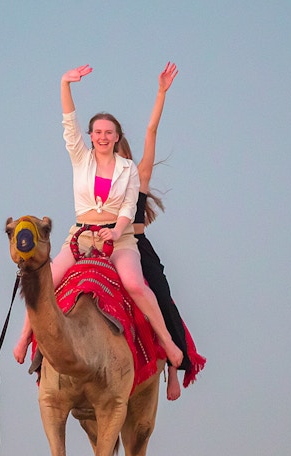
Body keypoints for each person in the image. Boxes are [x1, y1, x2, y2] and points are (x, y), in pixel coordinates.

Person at [14, 64, 183, 370]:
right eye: (98, 132)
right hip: (81, 235)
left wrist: (117, 232)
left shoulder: (129, 169)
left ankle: (169, 343)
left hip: (119, 239)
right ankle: (25, 336)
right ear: (91, 136)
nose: (103, 136)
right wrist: (64, 83)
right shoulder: (81, 159)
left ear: (117, 136)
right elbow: (69, 124)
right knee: (46, 280)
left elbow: (129, 207)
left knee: (134, 283)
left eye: (109, 132)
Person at [117, 62, 206, 400]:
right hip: (108, 245)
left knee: (162, 296)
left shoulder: (138, 176)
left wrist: (160, 94)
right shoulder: (102, 182)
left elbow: (151, 131)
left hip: (136, 246)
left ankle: (171, 366)